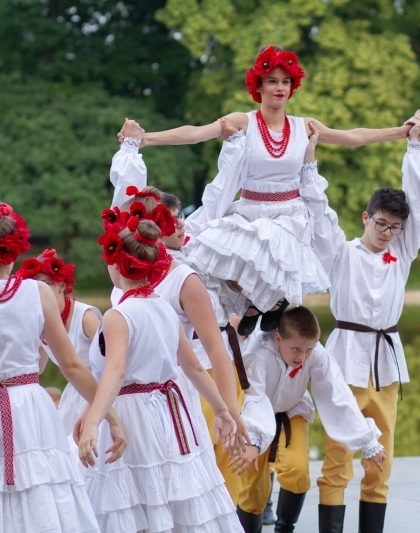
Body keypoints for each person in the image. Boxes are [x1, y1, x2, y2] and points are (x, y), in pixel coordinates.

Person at [125, 45, 418, 334]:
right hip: (250, 210)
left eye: (286, 81)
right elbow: (195, 133)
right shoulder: (244, 121)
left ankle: (273, 300)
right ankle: (261, 302)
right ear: (259, 85)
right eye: (273, 81)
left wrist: (400, 131)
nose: (280, 88)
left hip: (289, 216)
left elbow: (353, 137)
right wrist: (148, 139)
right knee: (208, 252)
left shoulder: (304, 127)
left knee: (272, 243)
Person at [0, 198, 126, 532]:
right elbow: (71, 366)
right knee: (39, 494)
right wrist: (109, 415)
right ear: (13, 248)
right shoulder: (39, 292)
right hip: (28, 405)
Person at [300, 112, 420, 533]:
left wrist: (413, 148)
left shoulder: (404, 252)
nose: (388, 233)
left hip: (386, 361)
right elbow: (319, 216)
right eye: (381, 224)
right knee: (338, 451)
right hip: (345, 358)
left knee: (383, 455)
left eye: (395, 227)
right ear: (365, 217)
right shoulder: (343, 253)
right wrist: (309, 161)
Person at [108, 136, 252, 501]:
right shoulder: (121, 273)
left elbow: (215, 352)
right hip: (122, 398)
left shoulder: (184, 278)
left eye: (174, 219)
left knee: (176, 494)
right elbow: (119, 208)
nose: (175, 225)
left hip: (170, 391)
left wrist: (230, 413)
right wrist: (129, 150)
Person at [77, 217, 243, 532]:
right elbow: (192, 366)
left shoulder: (118, 315)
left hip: (132, 415)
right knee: (168, 498)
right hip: (169, 413)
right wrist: (221, 409)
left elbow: (115, 372)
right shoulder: (163, 308)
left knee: (133, 505)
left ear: (117, 265)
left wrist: (94, 420)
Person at [231, 306, 387, 533]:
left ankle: (284, 529)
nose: (302, 357)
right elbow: (254, 399)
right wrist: (253, 442)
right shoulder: (258, 355)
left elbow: (338, 394)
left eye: (308, 350)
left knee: (298, 472)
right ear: (278, 338)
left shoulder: (317, 355)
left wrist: (368, 441)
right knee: (253, 490)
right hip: (254, 419)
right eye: (296, 349)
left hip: (292, 412)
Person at [16, 249, 102, 434]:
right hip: (74, 395)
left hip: (100, 390)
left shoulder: (86, 317)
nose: (39, 291)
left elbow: (113, 361)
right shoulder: (41, 322)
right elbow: (36, 368)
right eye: (33, 285)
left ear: (62, 285)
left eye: (45, 284)